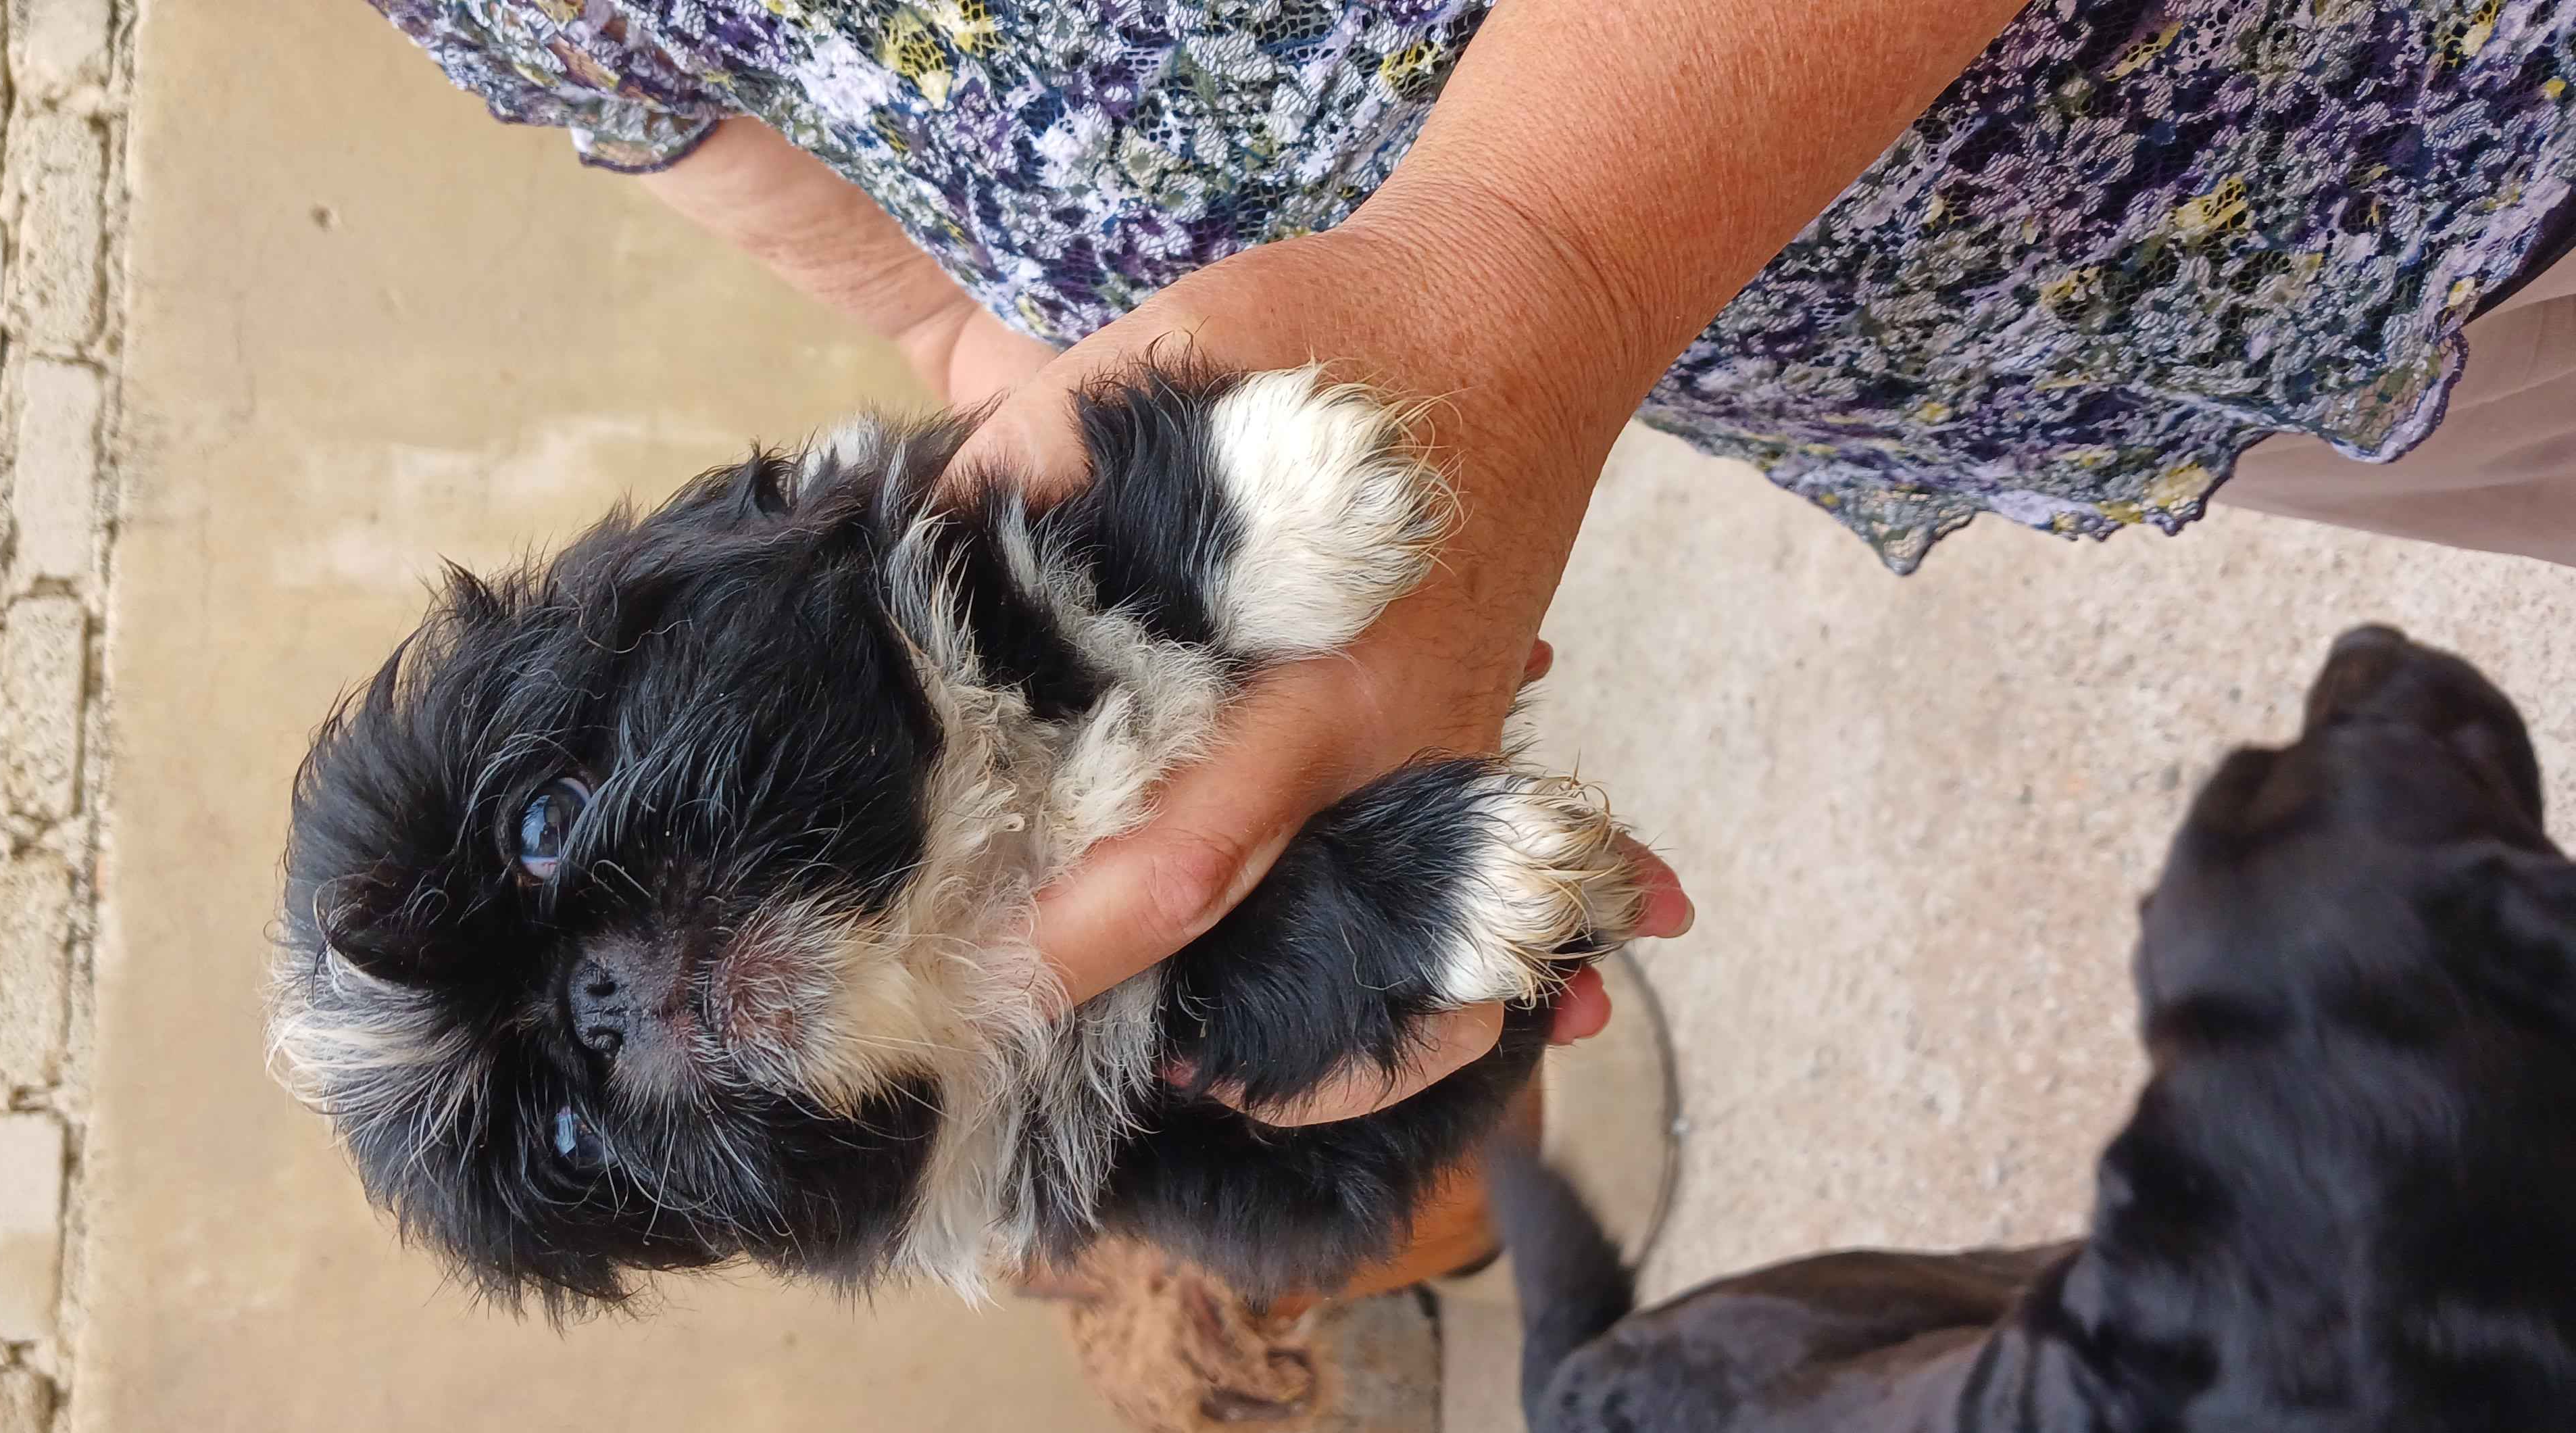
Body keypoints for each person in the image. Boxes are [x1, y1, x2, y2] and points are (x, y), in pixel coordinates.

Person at [368, 0, 2576, 1127]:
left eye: (548, 817)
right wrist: (1220, 838)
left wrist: (1523, 270)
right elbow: (962, 321)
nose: (603, 1006)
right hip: (2213, 342)